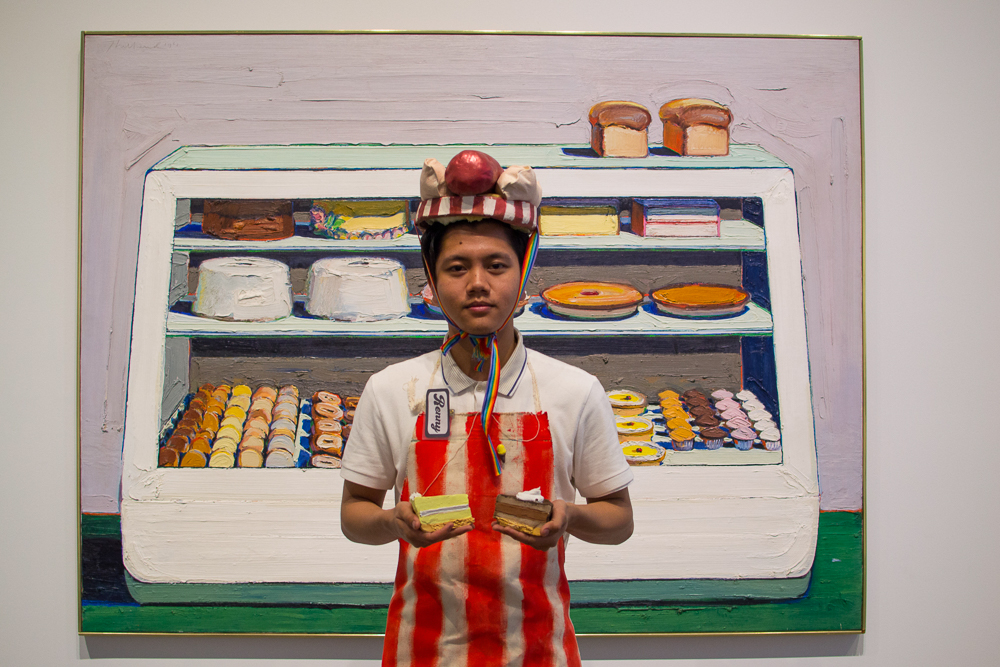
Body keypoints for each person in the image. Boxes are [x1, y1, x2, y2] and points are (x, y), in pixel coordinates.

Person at [340, 150, 634, 667]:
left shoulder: (574, 389)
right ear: (431, 280)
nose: (477, 282)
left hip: (538, 650)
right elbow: (354, 514)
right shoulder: (391, 388)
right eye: (457, 267)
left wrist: (567, 517)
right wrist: (393, 523)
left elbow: (619, 520)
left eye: (496, 265)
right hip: (421, 650)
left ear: (523, 275)